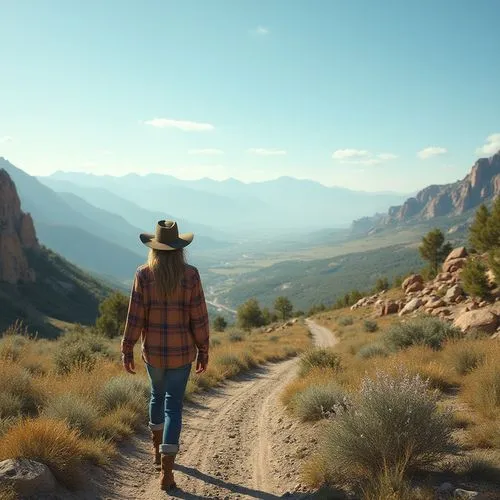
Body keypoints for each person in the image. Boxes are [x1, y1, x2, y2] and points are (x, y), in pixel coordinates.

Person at [121, 220, 210, 492]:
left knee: (156, 397)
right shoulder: (191, 275)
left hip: (154, 353)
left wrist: (127, 347)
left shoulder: (144, 275)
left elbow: (135, 315)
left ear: (155, 249)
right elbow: (199, 317)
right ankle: (168, 474)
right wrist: (203, 349)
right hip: (182, 352)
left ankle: (157, 454)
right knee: (173, 406)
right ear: (180, 249)